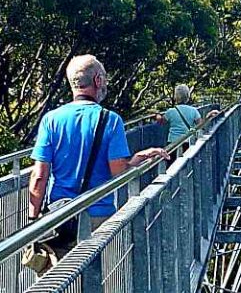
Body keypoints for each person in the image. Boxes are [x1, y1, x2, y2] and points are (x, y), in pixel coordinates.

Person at [25, 54, 167, 269]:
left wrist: (34, 220)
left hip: (60, 218)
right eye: (105, 79)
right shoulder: (110, 120)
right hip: (98, 217)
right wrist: (137, 159)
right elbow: (119, 173)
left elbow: (39, 176)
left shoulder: (51, 119)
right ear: (97, 81)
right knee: (96, 282)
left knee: (55, 284)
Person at [156, 84, 221, 146]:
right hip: (187, 142)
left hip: (172, 143)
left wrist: (157, 115)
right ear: (188, 96)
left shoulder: (170, 111)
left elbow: (161, 122)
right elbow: (201, 125)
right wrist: (208, 116)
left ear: (176, 97)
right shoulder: (193, 111)